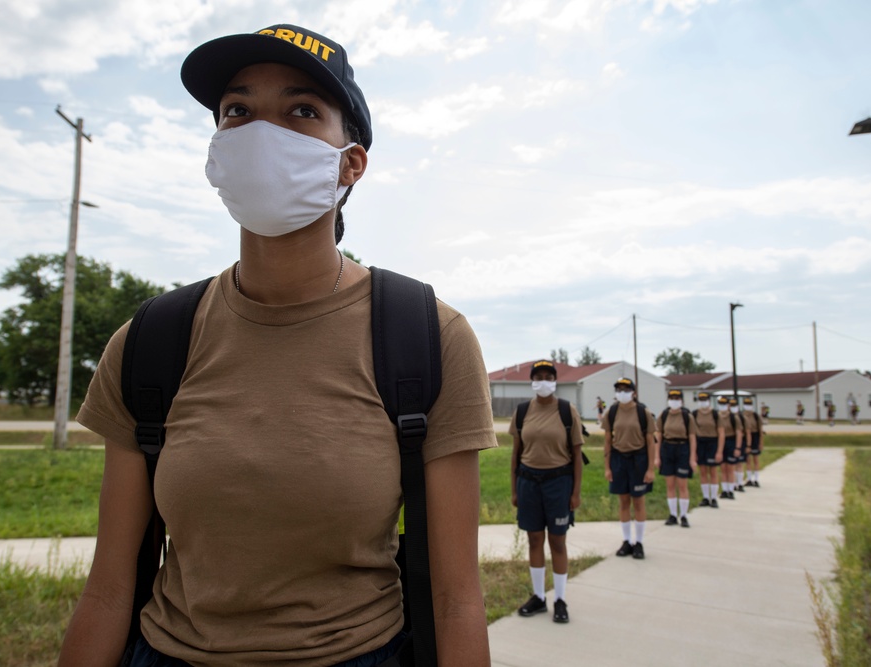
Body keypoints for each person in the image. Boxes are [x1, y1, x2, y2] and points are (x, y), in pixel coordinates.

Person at [58, 23, 496, 667]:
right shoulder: (151, 341)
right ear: (214, 150)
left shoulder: (429, 336)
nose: (262, 133)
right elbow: (108, 589)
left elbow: (457, 598)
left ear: (351, 162)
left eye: (301, 110)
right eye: (237, 110)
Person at [509, 360, 584, 624]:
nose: (543, 381)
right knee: (534, 540)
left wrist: (575, 492)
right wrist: (514, 488)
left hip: (558, 483)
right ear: (532, 381)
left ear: (555, 380)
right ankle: (539, 597)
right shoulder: (521, 412)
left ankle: (560, 599)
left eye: (548, 377)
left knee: (558, 541)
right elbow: (516, 453)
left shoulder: (566, 411)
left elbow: (576, 454)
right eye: (538, 376)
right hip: (528, 482)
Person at [603, 378, 657, 559]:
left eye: (626, 389)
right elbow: (608, 440)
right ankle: (626, 541)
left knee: (638, 501)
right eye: (619, 389)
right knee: (623, 501)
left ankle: (639, 542)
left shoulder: (643, 412)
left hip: (638, 459)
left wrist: (650, 468)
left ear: (634, 392)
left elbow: (651, 441)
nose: (622, 392)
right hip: (619, 459)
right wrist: (607, 467)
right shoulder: (612, 411)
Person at [656, 389, 698, 527]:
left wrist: (692, 458)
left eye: (677, 398)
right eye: (671, 397)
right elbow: (659, 436)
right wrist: (657, 456)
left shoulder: (687, 416)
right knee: (670, 484)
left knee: (682, 484)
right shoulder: (664, 415)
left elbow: (692, 437)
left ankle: (684, 515)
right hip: (667, 448)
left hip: (682, 449)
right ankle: (673, 514)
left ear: (682, 400)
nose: (674, 400)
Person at [693, 391, 725, 509]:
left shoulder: (716, 414)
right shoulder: (695, 414)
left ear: (709, 400)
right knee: (702, 471)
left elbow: (721, 433)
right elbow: (693, 433)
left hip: (713, 442)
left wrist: (719, 451)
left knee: (713, 471)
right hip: (700, 443)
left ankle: (714, 498)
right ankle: (706, 497)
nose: (703, 402)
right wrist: (694, 452)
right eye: (701, 400)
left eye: (705, 400)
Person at [717, 396, 743, 500]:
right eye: (720, 404)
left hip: (731, 442)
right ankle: (724, 490)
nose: (722, 406)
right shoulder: (717, 416)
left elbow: (739, 433)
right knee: (723, 468)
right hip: (720, 442)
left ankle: (731, 490)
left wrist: (737, 447)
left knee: (730, 468)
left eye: (724, 404)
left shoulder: (733, 417)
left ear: (728, 405)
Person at [742, 397, 764, 487]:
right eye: (746, 404)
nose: (748, 406)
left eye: (749, 404)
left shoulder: (755, 415)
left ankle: (756, 479)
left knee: (755, 459)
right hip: (745, 438)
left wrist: (761, 443)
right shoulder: (742, 415)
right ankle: (749, 479)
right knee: (747, 459)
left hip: (755, 436)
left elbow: (760, 430)